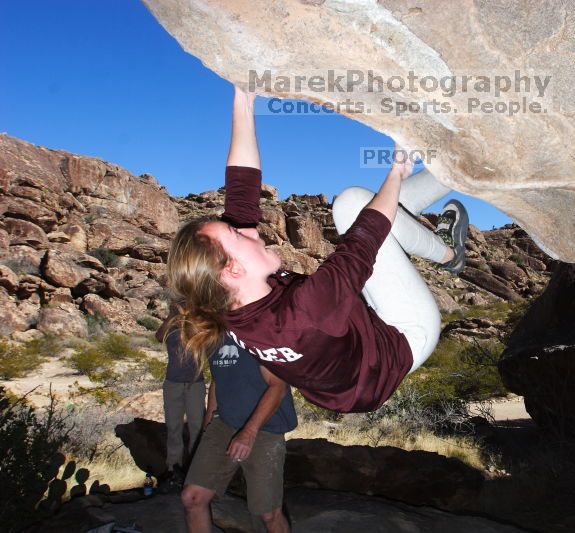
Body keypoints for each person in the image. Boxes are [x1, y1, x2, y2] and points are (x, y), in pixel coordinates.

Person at [166, 84, 469, 413]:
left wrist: (243, 97)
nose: (249, 231)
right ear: (233, 269)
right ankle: (449, 253)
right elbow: (363, 241)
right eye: (238, 236)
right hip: (400, 339)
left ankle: (461, 168)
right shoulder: (302, 314)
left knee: (380, 209)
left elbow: (241, 188)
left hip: (351, 346)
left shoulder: (224, 300)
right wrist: (398, 168)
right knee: (353, 205)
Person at [181, 334, 296, 533]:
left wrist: (248, 432)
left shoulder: (257, 332)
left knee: (268, 513)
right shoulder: (213, 335)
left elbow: (279, 387)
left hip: (265, 427)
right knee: (193, 497)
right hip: (224, 423)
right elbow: (219, 380)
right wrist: (208, 424)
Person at [155, 304, 205, 481]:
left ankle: (195, 467)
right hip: (173, 382)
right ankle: (173, 465)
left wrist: (189, 317)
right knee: (173, 426)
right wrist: (171, 317)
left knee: (197, 426)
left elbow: (200, 338)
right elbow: (158, 337)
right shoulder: (171, 325)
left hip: (195, 383)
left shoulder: (199, 323)